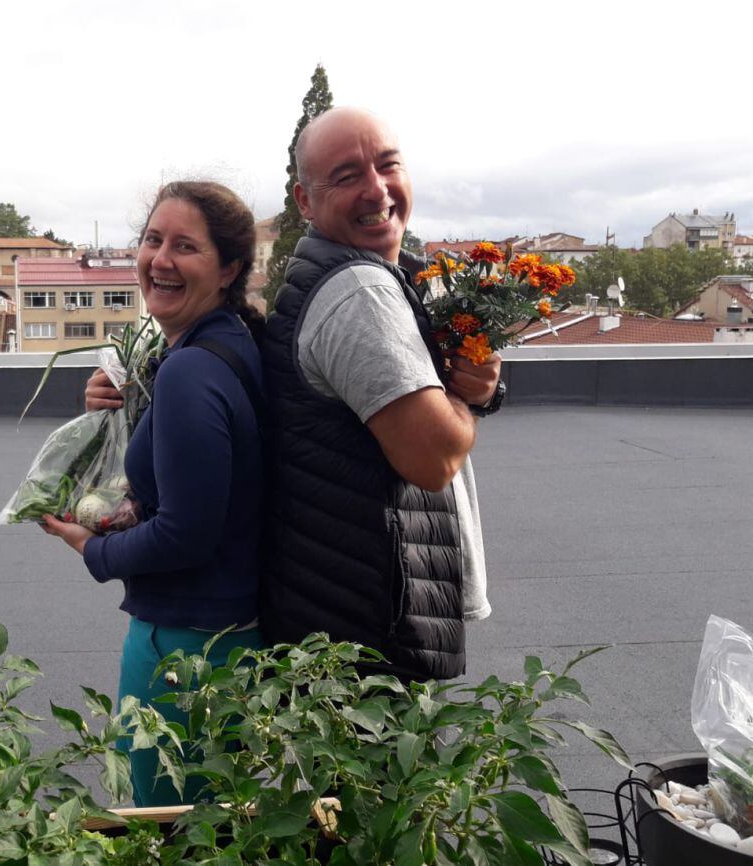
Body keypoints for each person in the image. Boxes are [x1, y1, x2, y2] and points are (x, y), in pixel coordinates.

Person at [43, 181, 265, 806]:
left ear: (229, 270)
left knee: (166, 826)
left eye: (185, 246)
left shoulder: (192, 369)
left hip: (186, 651)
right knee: (214, 828)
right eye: (152, 239)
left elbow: (188, 534)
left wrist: (92, 549)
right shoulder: (227, 348)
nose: (160, 259)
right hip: (228, 642)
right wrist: (126, 403)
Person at [260, 106, 501, 683]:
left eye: (388, 165)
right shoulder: (360, 292)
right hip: (373, 640)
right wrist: (464, 404)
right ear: (304, 201)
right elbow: (434, 458)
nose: (377, 189)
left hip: (339, 614)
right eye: (346, 176)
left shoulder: (384, 275)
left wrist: (481, 386)